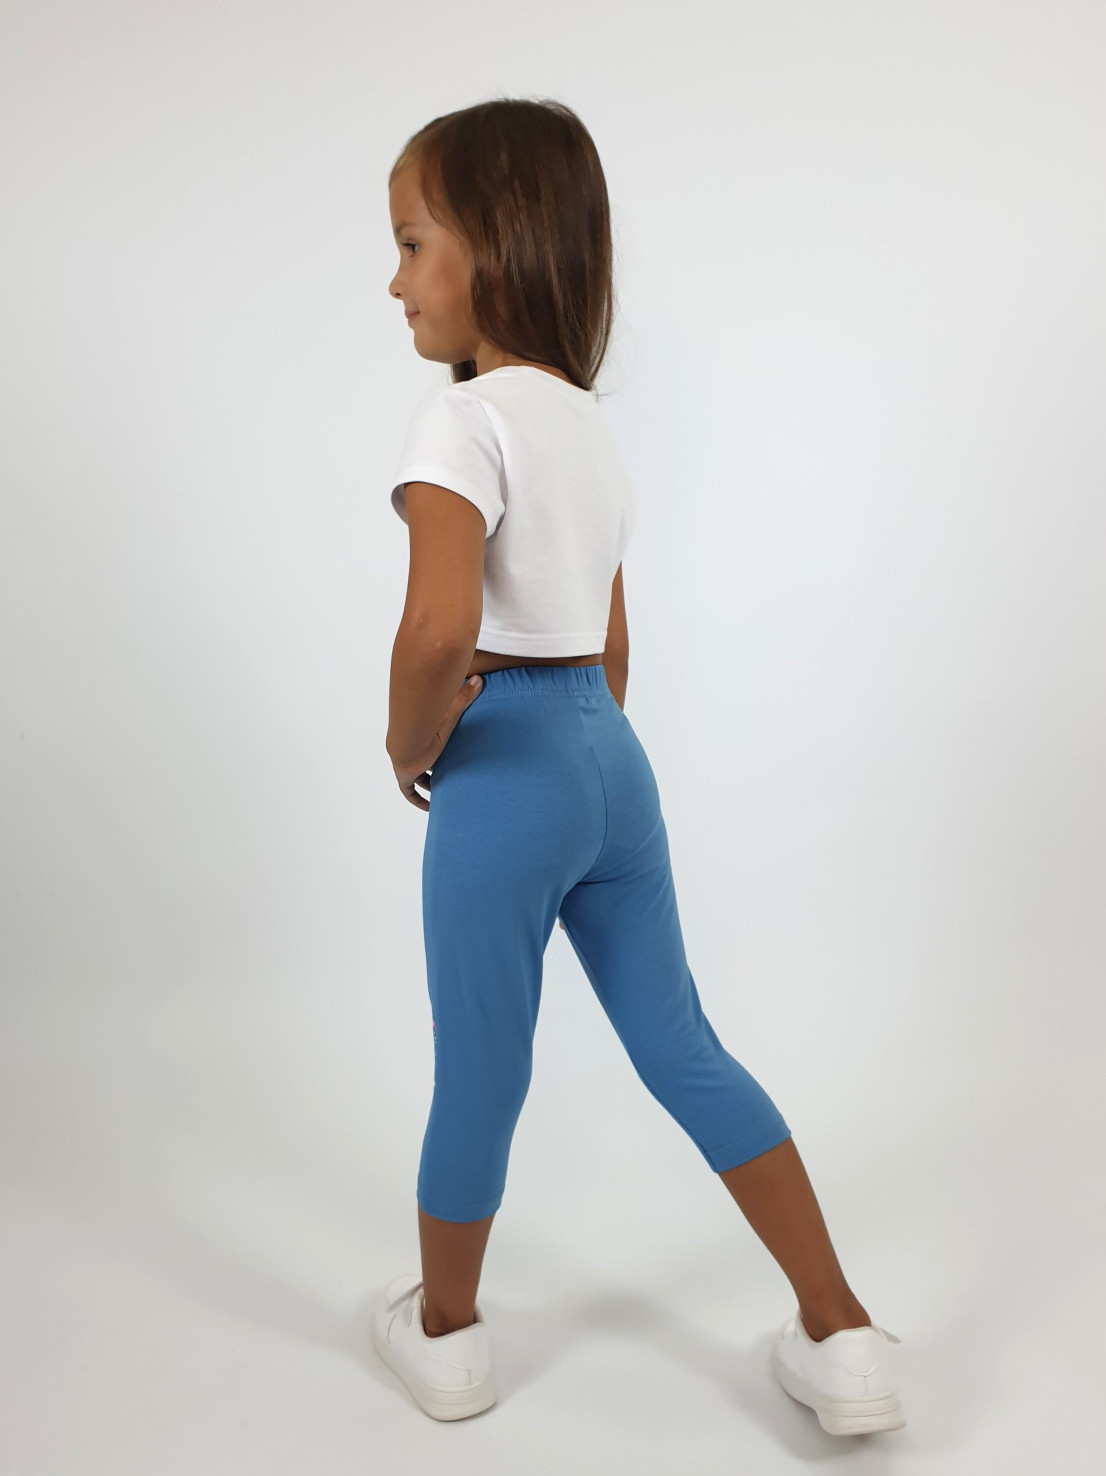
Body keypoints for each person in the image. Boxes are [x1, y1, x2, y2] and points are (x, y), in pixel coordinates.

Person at [370, 96, 905, 1435]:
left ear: (493, 248)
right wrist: (582, 752)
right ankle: (841, 1334)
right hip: (612, 761)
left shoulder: (460, 422)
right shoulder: (584, 428)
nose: (395, 279)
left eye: (413, 243)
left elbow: (438, 628)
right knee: (685, 1047)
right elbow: (611, 642)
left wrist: (411, 743)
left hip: (504, 768)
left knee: (483, 1067)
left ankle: (444, 1334)